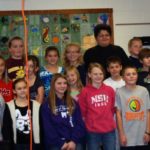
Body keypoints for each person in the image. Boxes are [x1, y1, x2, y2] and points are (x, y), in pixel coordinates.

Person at [40, 73, 85, 150]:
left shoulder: (73, 102)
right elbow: (48, 128)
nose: (62, 86)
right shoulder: (46, 105)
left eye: (65, 83)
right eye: (59, 83)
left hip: (73, 141)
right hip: (56, 143)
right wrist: (60, 143)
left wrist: (73, 141)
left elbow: (79, 123)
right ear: (53, 85)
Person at [79, 63, 116, 150]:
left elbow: (112, 109)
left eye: (101, 74)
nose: (98, 76)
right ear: (89, 75)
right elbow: (83, 112)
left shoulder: (109, 90)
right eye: (95, 74)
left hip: (109, 130)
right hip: (92, 131)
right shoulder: (85, 91)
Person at [115, 66, 150, 150]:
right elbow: (118, 114)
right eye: (128, 74)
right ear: (123, 78)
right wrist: (121, 134)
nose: (131, 76)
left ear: (137, 76)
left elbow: (148, 112)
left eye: (134, 74)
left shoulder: (144, 91)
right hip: (127, 137)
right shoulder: (119, 92)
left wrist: (148, 132)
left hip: (142, 136)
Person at [2, 78, 41, 150]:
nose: (22, 90)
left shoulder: (36, 105)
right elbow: (6, 128)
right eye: (19, 89)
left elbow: (41, 125)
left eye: (24, 88)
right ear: (14, 91)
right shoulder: (9, 106)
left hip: (34, 144)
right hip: (16, 145)